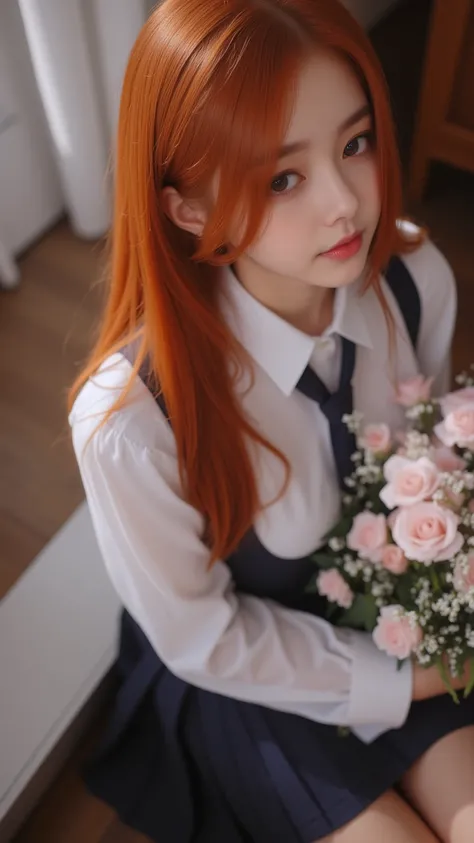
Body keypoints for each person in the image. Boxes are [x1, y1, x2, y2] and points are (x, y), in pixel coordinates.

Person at [68, 1, 474, 840]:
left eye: (355, 143)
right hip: (248, 671)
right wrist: (406, 681)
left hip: (385, 615)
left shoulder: (410, 277)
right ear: (185, 209)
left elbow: (427, 460)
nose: (344, 204)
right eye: (282, 177)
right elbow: (204, 634)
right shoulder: (132, 421)